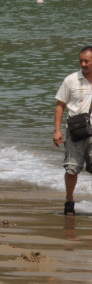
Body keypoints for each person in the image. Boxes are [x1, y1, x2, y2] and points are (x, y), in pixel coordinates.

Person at [53, 47, 92, 216]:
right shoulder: (71, 80)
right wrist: (57, 130)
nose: (83, 64)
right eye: (81, 61)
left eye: (87, 61)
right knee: (71, 169)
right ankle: (69, 201)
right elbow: (60, 106)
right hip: (75, 131)